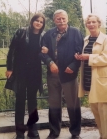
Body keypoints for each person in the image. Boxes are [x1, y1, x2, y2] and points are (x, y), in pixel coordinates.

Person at [75, 14, 107, 139]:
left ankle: (106, 137)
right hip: (90, 81)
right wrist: (79, 57)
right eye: (88, 22)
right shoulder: (86, 39)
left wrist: (88, 57)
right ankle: (102, 136)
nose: (91, 24)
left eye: (93, 22)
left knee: (105, 115)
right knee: (96, 113)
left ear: (99, 24)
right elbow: (84, 56)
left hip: (105, 82)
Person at [40, 9, 84, 139]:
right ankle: (54, 132)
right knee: (54, 104)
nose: (61, 20)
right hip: (53, 75)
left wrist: (74, 66)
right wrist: (49, 62)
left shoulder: (75, 32)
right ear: (54, 20)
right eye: (58, 18)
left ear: (67, 19)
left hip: (69, 75)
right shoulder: (49, 34)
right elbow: (42, 52)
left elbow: (80, 51)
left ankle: (75, 133)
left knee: (73, 104)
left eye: (63, 18)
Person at [5, 13, 45, 139]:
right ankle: (20, 132)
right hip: (20, 72)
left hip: (34, 72)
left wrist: (46, 51)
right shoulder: (21, 32)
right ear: (32, 21)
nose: (38, 23)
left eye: (41, 22)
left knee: (33, 102)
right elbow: (12, 50)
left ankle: (33, 129)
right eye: (36, 20)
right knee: (20, 102)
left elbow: (45, 53)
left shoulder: (43, 36)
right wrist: (9, 68)